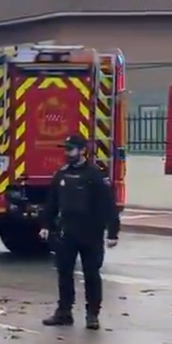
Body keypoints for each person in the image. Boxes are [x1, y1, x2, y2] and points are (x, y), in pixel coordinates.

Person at [39, 134, 121, 330]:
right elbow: (52, 202)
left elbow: (108, 205)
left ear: (82, 150)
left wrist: (112, 232)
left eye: (71, 149)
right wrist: (45, 225)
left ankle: (92, 314)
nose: (67, 153)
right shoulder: (61, 174)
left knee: (91, 274)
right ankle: (64, 312)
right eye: (66, 149)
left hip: (90, 232)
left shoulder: (95, 175)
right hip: (66, 231)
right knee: (64, 273)